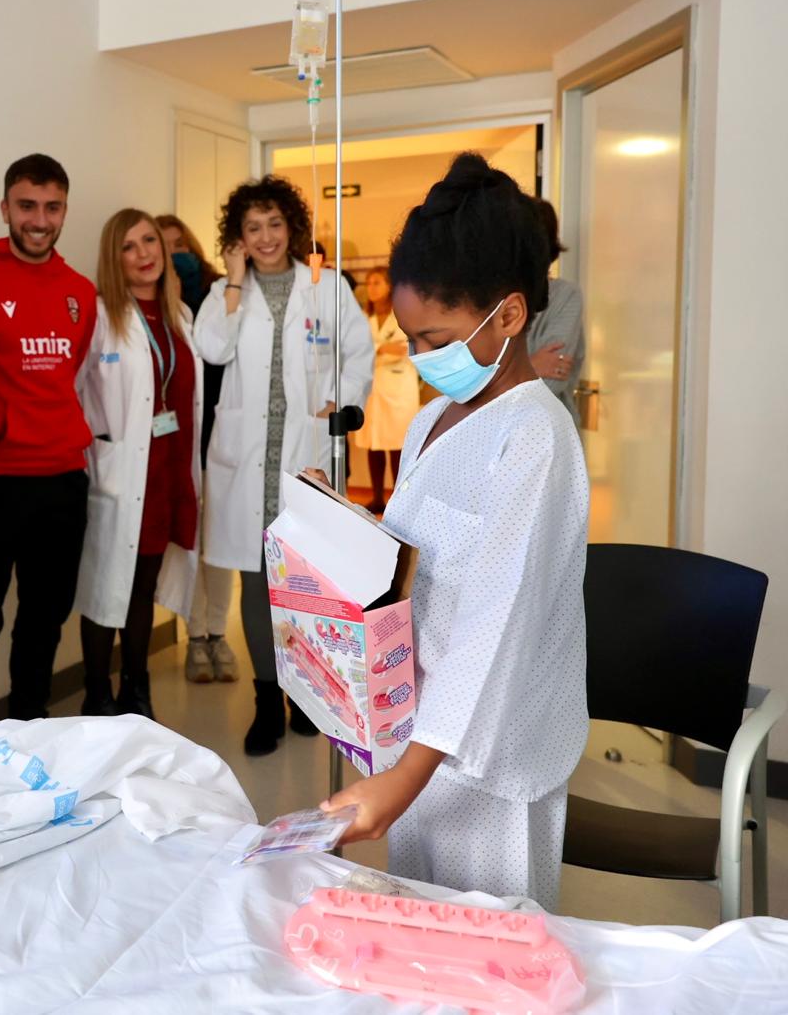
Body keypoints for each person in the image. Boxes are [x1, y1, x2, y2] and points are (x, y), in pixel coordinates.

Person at [320, 153, 589, 912]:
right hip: (418, 728)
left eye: (434, 338)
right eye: (410, 338)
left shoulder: (536, 437)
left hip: (492, 756)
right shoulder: (437, 418)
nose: (420, 358)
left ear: (508, 316)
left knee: (486, 952)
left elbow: (496, 625)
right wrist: (333, 526)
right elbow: (413, 553)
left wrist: (406, 778)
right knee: (416, 942)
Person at [193, 175, 372, 757]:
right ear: (237, 238)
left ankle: (306, 697)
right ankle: (267, 700)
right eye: (252, 228)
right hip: (248, 460)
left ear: (291, 226)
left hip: (303, 456)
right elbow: (213, 348)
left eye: (274, 224)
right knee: (254, 583)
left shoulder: (326, 288)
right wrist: (235, 283)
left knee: (302, 585)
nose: (266, 237)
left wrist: (343, 398)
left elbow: (358, 350)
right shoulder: (227, 290)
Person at [0, 154, 97, 734]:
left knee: (44, 619)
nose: (39, 219)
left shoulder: (80, 292)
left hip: (62, 477)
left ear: (63, 211)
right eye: (27, 206)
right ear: (5, 208)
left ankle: (30, 731)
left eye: (52, 207)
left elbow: (70, 374)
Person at [75, 210, 202, 718]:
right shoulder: (102, 315)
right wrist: (97, 446)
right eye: (129, 246)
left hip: (169, 472)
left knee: (143, 584)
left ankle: (137, 688)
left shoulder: (180, 316)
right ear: (114, 257)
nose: (145, 253)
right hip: (122, 473)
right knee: (106, 582)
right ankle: (96, 693)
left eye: (150, 241)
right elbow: (78, 388)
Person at [157, 214, 235, 684]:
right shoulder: (160, 306)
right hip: (181, 436)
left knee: (220, 544)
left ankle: (217, 634)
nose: (175, 256)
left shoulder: (219, 291)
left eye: (179, 244)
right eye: (165, 249)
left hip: (222, 430)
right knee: (191, 538)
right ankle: (195, 637)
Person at [354, 266, 418, 514]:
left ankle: (398, 499)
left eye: (377, 282)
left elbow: (404, 348)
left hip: (399, 387)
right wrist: (382, 348)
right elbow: (358, 350)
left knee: (398, 444)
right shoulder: (364, 318)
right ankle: (378, 496)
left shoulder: (402, 315)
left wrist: (375, 349)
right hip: (375, 387)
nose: (371, 288)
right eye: (369, 283)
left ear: (390, 286)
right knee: (375, 442)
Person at [525, 198, 585, 425]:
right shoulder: (489, 300)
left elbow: (552, 383)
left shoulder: (566, 296)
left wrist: (495, 380)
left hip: (551, 432)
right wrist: (532, 365)